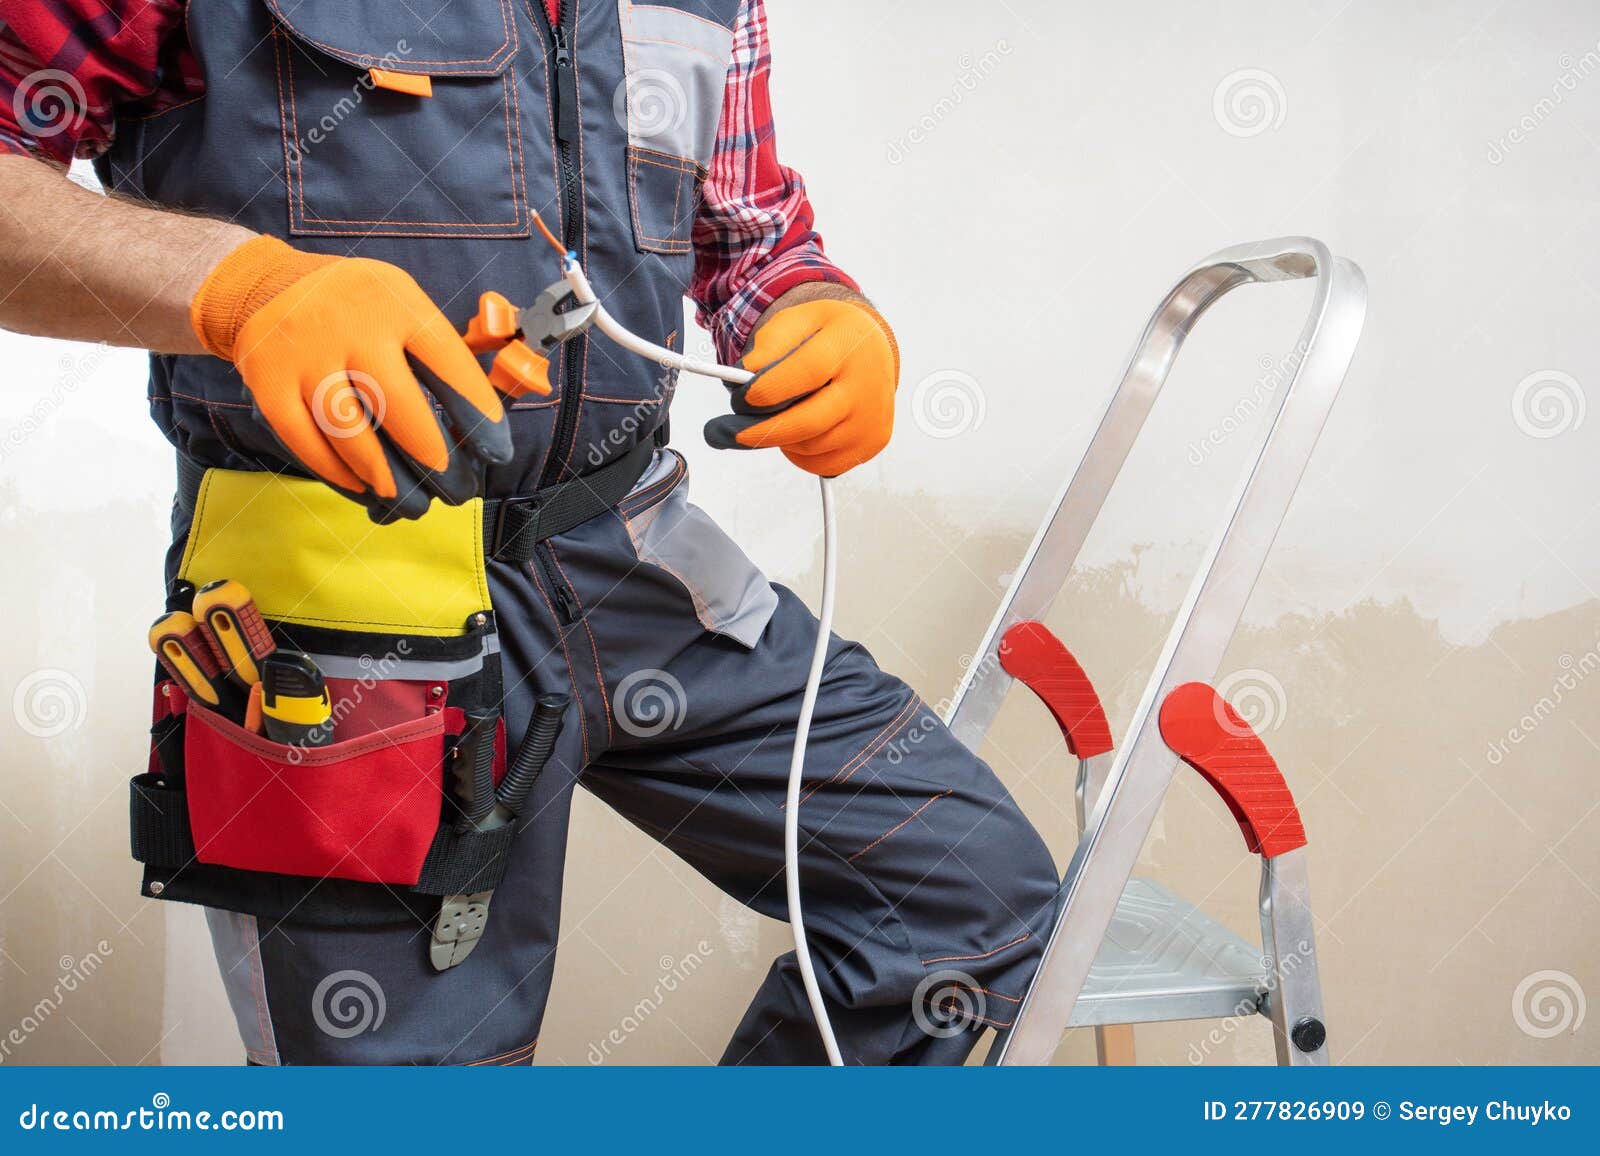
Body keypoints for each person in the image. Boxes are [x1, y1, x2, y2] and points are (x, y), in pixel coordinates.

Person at [0, 0, 1058, 1065]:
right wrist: (240, 291)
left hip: (636, 555)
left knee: (963, 907)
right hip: (347, 609)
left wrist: (809, 304)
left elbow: (749, 235)